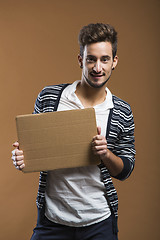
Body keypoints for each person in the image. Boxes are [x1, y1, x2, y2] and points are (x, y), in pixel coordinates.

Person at [12, 23, 136, 240]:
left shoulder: (122, 111)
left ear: (114, 61)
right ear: (81, 59)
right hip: (52, 220)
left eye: (104, 59)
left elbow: (126, 169)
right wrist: (21, 157)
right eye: (91, 59)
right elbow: (33, 151)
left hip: (99, 222)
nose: (98, 67)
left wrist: (105, 154)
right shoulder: (49, 98)